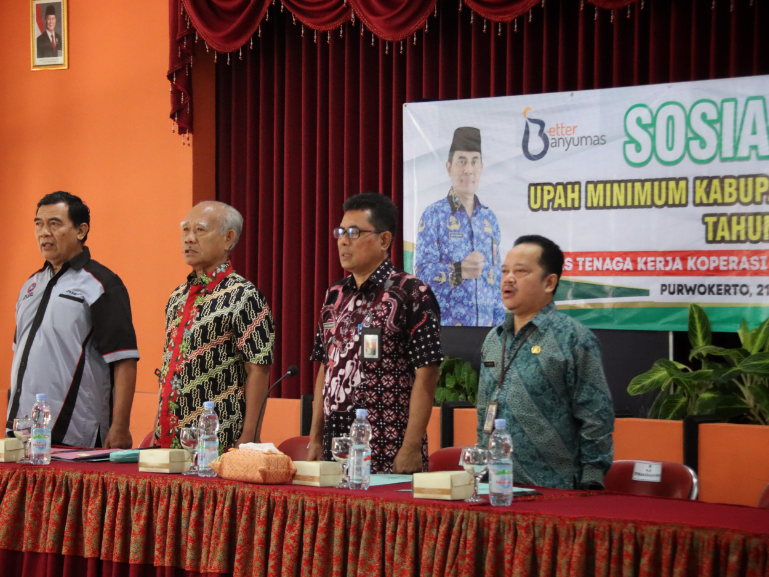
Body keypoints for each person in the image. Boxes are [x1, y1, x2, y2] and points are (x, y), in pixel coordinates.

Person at [307, 193, 443, 474]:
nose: (343, 241)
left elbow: (427, 373)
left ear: (384, 240)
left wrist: (411, 447)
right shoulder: (334, 294)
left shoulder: (411, 292)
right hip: (335, 444)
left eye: (354, 232)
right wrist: (315, 438)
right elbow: (325, 367)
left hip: (387, 445)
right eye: (340, 232)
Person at [476, 235, 614, 489]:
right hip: (494, 486)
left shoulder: (573, 338)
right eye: (505, 271)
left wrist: (591, 481)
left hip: (554, 488)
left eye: (520, 271)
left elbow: (596, 417)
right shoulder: (494, 339)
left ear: (549, 282)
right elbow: (484, 411)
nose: (508, 278)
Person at [6, 191, 139, 448]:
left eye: (54, 224)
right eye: (38, 224)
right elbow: (21, 358)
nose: (44, 232)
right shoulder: (30, 285)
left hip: (75, 433)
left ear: (81, 230)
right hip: (22, 432)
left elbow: (124, 359)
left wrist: (120, 426)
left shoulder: (102, 284)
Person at [154, 201, 275, 451]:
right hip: (168, 440)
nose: (189, 238)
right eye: (185, 230)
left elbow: (259, 369)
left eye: (200, 230)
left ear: (228, 239)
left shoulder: (244, 295)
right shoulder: (177, 297)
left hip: (218, 442)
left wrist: (250, 435)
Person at [414, 126, 506, 327]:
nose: (468, 169)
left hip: (487, 333)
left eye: (474, 161)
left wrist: (501, 331)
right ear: (449, 167)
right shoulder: (434, 215)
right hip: (445, 332)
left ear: (481, 167)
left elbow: (496, 281)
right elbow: (420, 276)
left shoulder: (489, 219)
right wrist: (459, 271)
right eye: (462, 161)